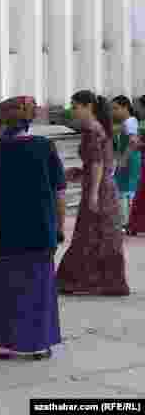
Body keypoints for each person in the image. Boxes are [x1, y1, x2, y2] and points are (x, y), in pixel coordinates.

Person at [0, 96, 65, 361]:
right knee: (38, 287)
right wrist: (58, 227)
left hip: (3, 232)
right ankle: (38, 344)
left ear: (2, 123)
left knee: (3, 287)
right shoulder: (45, 147)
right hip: (39, 230)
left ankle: (5, 344)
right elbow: (59, 192)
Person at [56, 91, 130, 296]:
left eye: (76, 106)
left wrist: (93, 193)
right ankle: (107, 281)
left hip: (99, 189)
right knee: (100, 234)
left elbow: (97, 162)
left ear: (88, 106)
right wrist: (80, 173)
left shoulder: (91, 129)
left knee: (88, 234)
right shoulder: (98, 128)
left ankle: (76, 280)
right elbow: (100, 163)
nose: (73, 111)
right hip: (103, 185)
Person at [111, 96, 140, 232]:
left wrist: (123, 158)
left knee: (126, 191)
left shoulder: (129, 122)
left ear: (125, 107)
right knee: (125, 190)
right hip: (128, 159)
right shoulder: (129, 121)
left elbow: (133, 141)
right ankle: (127, 221)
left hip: (129, 160)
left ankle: (127, 222)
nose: (113, 112)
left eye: (116, 108)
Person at [127, 96, 145, 236]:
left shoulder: (142, 124)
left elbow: (138, 145)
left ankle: (134, 225)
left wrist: (136, 144)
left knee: (141, 194)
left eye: (138, 106)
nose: (137, 109)